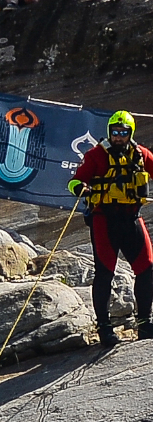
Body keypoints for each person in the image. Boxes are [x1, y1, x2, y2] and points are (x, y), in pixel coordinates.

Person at [68, 109, 153, 348]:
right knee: (105, 273)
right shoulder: (96, 155)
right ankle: (104, 327)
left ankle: (145, 322)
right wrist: (80, 189)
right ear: (109, 132)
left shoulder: (141, 154)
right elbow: (75, 180)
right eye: (115, 132)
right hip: (104, 220)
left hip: (131, 219)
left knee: (147, 268)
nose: (118, 137)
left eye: (123, 133)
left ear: (130, 133)